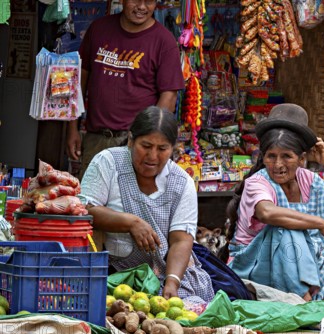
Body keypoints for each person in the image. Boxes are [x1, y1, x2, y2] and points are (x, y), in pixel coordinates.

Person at [226, 104, 324, 301]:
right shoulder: (258, 182)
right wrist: (320, 223)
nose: (278, 165)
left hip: (313, 262)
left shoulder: (309, 179)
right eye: (271, 156)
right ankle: (306, 303)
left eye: (287, 156)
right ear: (263, 157)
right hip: (260, 267)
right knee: (287, 229)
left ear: (302, 159)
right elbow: (268, 213)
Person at [80, 106, 214, 311]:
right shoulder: (108, 162)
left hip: (165, 272)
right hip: (113, 273)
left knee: (185, 311)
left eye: (162, 149)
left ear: (173, 149)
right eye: (146, 146)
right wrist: (130, 222)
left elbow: (181, 239)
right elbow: (85, 210)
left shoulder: (181, 182)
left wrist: (172, 282)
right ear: (131, 140)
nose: (152, 156)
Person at [67, 0, 185, 178]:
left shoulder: (164, 41)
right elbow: (79, 82)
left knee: (132, 203)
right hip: (96, 139)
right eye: (136, 0)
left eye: (149, 1)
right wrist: (72, 128)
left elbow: (168, 98)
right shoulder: (99, 29)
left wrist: (146, 144)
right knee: (91, 202)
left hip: (135, 144)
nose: (142, 7)